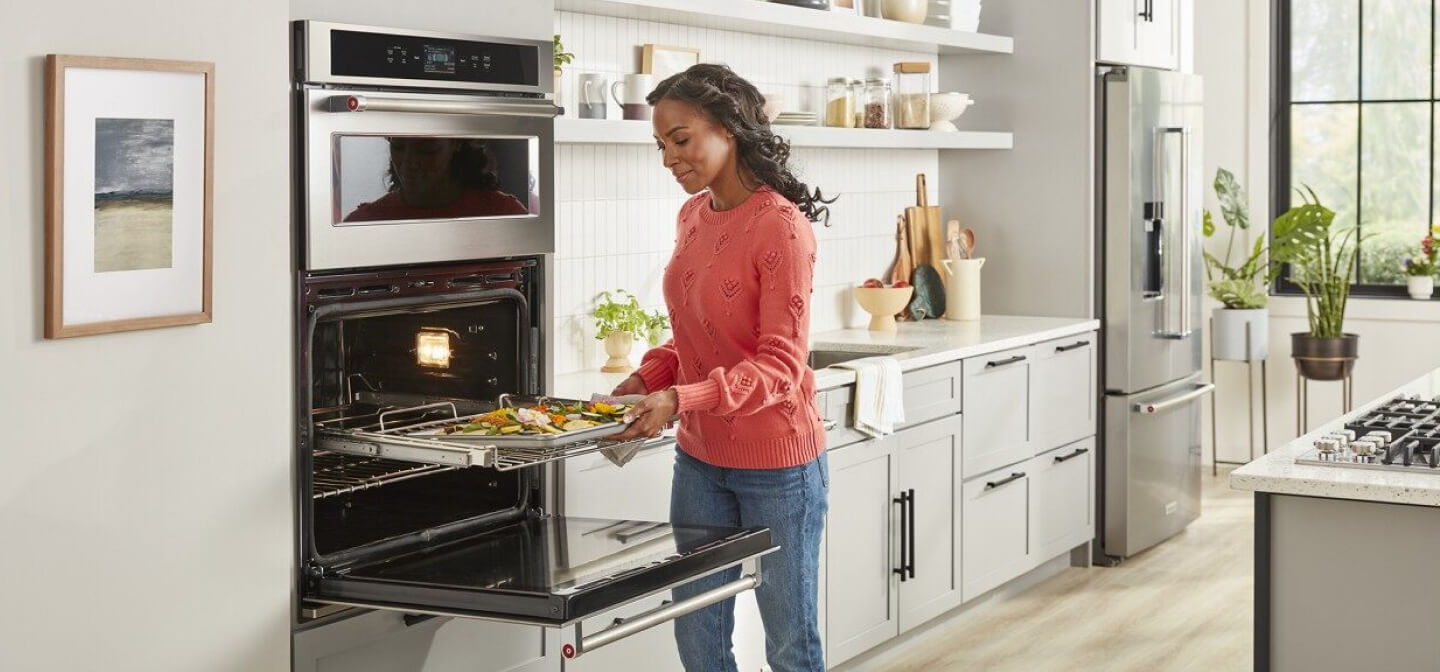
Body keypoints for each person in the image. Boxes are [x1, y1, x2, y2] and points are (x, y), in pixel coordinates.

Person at [608, 63, 835, 672]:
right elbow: (697, 335)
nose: (668, 159)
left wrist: (681, 400)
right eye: (660, 145)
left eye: (679, 140)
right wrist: (648, 379)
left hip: (779, 466)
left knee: (789, 643)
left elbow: (781, 366)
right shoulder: (693, 217)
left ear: (729, 128)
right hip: (701, 461)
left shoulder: (781, 227)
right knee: (699, 637)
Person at [343, 137, 527, 222]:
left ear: (456, 143)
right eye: (398, 146)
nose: (409, 162)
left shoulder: (503, 213)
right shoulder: (364, 220)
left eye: (427, 150)